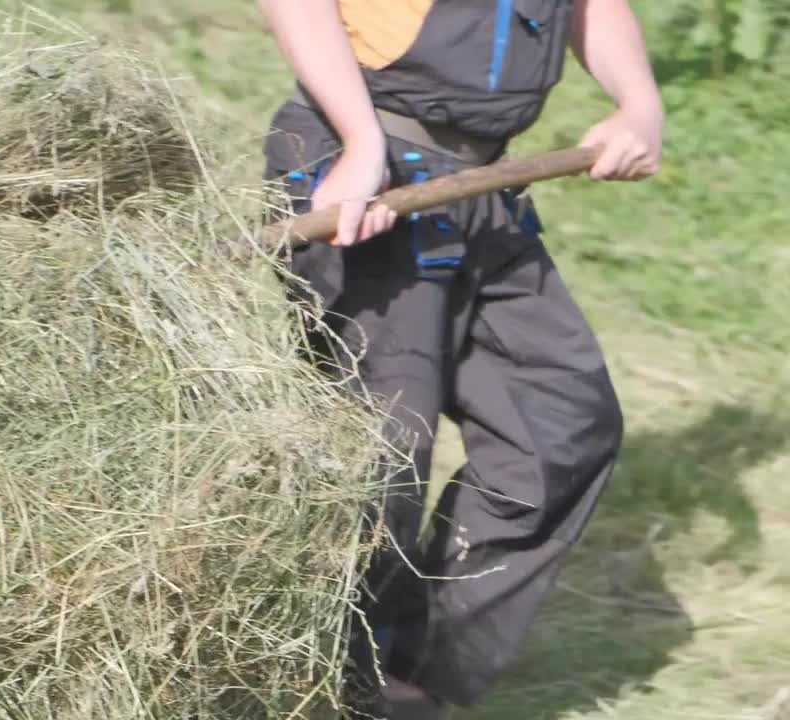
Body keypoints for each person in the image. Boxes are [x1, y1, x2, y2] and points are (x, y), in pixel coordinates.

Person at [256, 1, 665, 718]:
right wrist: (359, 142)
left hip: (482, 185)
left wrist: (639, 103)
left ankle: (412, 673)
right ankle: (332, 685)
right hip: (367, 172)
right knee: (380, 452)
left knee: (561, 422)